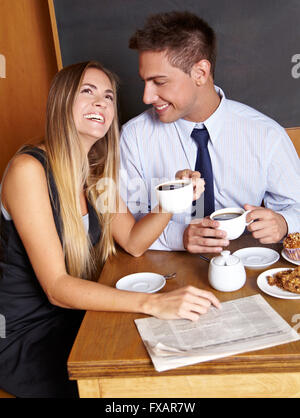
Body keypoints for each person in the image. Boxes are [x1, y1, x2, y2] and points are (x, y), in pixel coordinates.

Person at [0, 61, 220, 398]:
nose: (101, 103)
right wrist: (153, 303)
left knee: (173, 366)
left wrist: (170, 200)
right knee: (133, 390)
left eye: (108, 97)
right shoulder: (28, 170)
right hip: (27, 335)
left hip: (79, 316)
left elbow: (133, 242)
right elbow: (57, 288)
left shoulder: (96, 175)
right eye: (87, 92)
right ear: (61, 101)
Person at [120, 11, 300, 254]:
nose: (146, 97)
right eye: (144, 81)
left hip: (247, 268)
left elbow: (296, 206)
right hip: (162, 275)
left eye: (159, 82)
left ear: (200, 73)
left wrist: (284, 222)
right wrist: (180, 236)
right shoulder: (134, 138)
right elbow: (127, 228)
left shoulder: (266, 135)